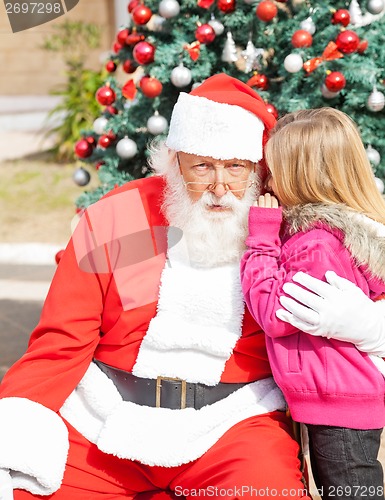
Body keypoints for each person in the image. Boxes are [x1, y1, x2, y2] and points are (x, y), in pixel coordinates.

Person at [0, 74, 311, 500]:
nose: (220, 187)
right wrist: (19, 419)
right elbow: (61, 339)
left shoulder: (288, 227)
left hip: (232, 424)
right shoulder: (117, 215)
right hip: (104, 418)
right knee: (24, 483)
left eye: (235, 167)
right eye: (202, 166)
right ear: (175, 162)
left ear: (258, 169)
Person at [240, 107, 385, 500]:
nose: (265, 180)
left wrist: (261, 239)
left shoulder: (315, 245)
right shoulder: (339, 234)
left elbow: (274, 313)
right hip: (337, 400)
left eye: (273, 170)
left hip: (336, 406)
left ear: (299, 175)